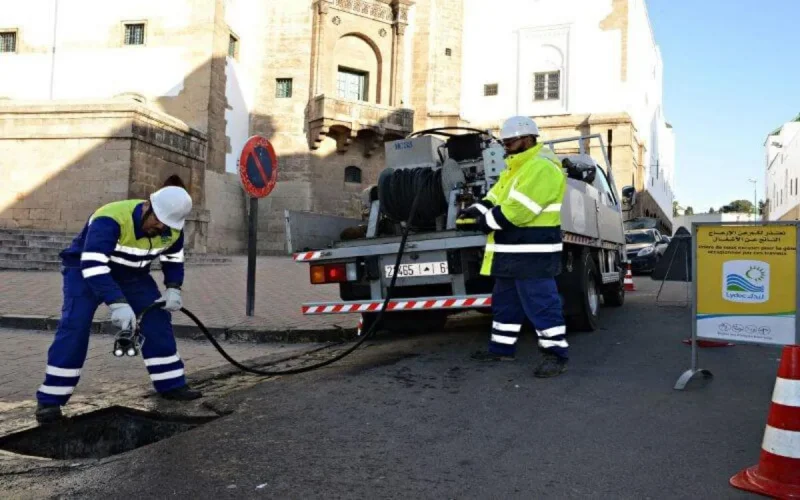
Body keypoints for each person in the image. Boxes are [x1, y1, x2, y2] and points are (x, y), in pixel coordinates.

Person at [34, 184, 201, 424]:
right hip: (84, 270)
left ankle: (171, 384)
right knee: (75, 325)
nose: (160, 227)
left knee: (156, 318)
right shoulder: (110, 218)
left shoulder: (172, 227)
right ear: (147, 206)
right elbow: (94, 265)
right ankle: (51, 400)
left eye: (166, 224)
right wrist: (117, 303)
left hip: (133, 275)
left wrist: (174, 287)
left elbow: (173, 258)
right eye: (157, 220)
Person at [457, 116, 568, 378]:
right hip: (510, 252)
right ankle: (501, 349)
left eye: (510, 142)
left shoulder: (542, 167)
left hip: (534, 254)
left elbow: (520, 209)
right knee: (505, 304)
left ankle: (555, 355)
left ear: (528, 139)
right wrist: (475, 209)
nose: (506, 147)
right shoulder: (516, 167)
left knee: (542, 305)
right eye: (504, 143)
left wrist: (484, 222)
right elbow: (495, 195)